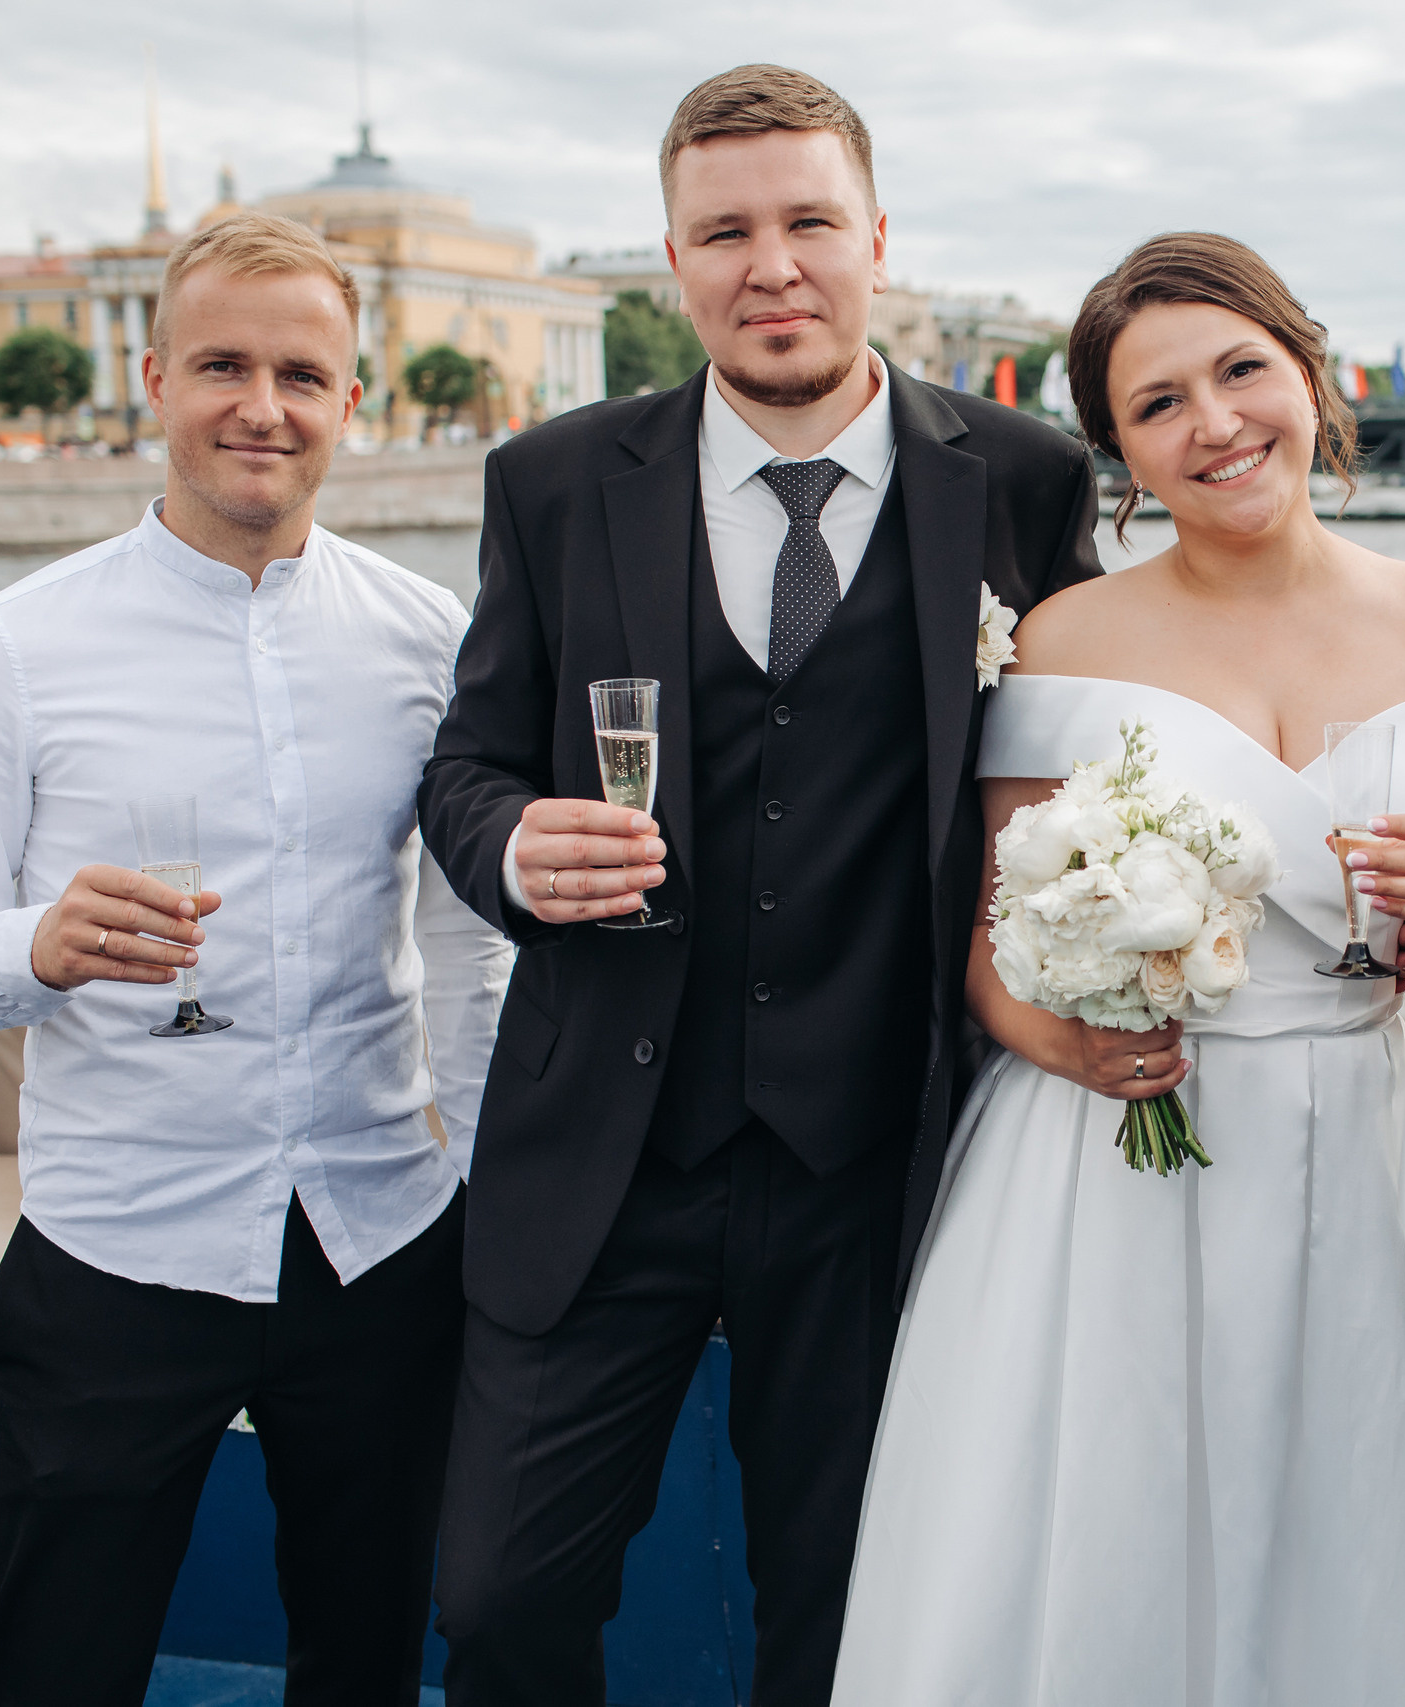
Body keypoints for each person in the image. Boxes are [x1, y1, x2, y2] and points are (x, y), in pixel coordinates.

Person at [416, 65, 1103, 1704]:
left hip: (881, 1155)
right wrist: (516, 847)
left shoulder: (1018, 478)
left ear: (878, 239)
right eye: (724, 231)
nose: (770, 264)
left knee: (852, 1601)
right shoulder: (558, 481)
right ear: (673, 260)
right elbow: (463, 770)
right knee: (501, 1592)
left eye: (808, 222)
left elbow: (1103, 753)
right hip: (606, 1150)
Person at [829, 232, 1405, 1707]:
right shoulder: (1063, 641)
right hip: (1106, 1162)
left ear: (1310, 373)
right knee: (1106, 1516)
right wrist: (1067, 1043)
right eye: (1160, 406)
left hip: (1353, 1147)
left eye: (1240, 372)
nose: (1215, 425)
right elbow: (990, 954)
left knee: (1348, 1519)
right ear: (1122, 454)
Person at [0, 211, 511, 1706]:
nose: (261, 405)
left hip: (379, 1241)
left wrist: (487, 1197)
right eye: (222, 363)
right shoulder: (13, 646)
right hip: (120, 1248)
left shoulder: (434, 638)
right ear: (153, 377)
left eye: (303, 372)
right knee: (59, 1664)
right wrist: (35, 948)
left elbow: (468, 951)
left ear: (353, 403)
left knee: (362, 1653)